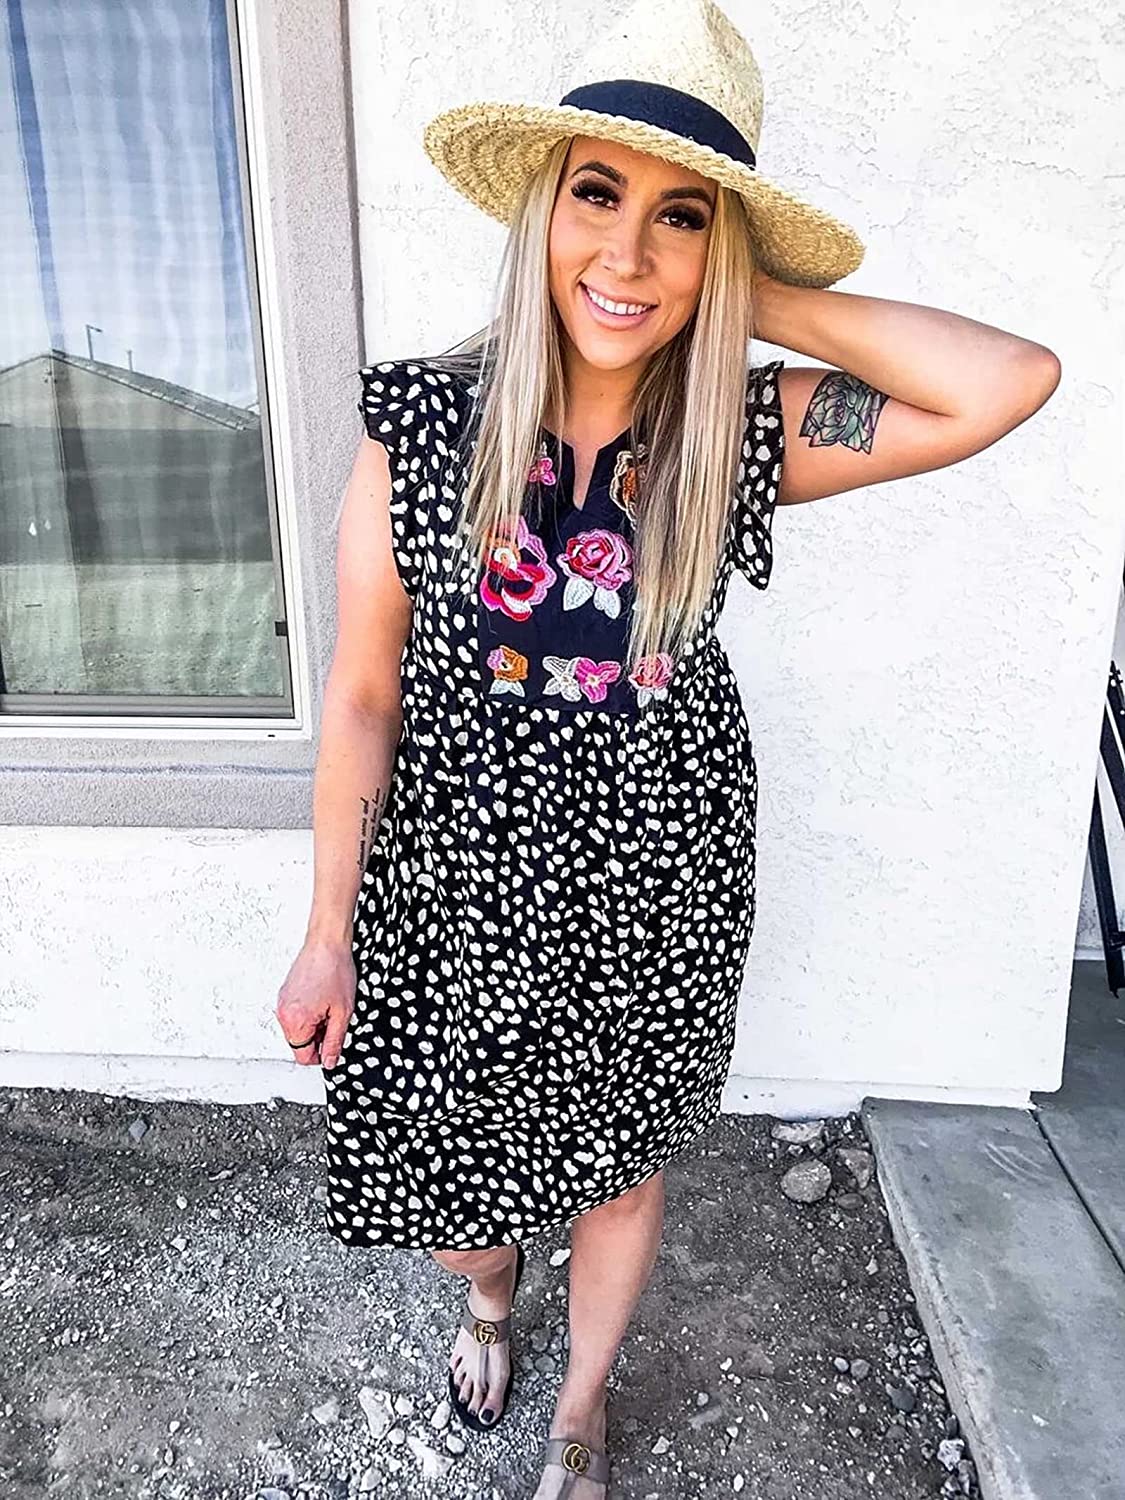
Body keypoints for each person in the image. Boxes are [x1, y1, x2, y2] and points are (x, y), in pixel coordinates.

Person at [275, 0, 1061, 1493]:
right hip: (446, 876)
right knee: (453, 1188)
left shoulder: (733, 436)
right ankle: (491, 1298)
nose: (627, 255)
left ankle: (580, 1408)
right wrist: (328, 934)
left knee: (615, 1168)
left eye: (681, 219)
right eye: (598, 195)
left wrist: (751, 299)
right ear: (541, 213)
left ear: (719, 253)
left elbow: (1004, 380)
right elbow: (364, 695)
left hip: (656, 872)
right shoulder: (423, 427)